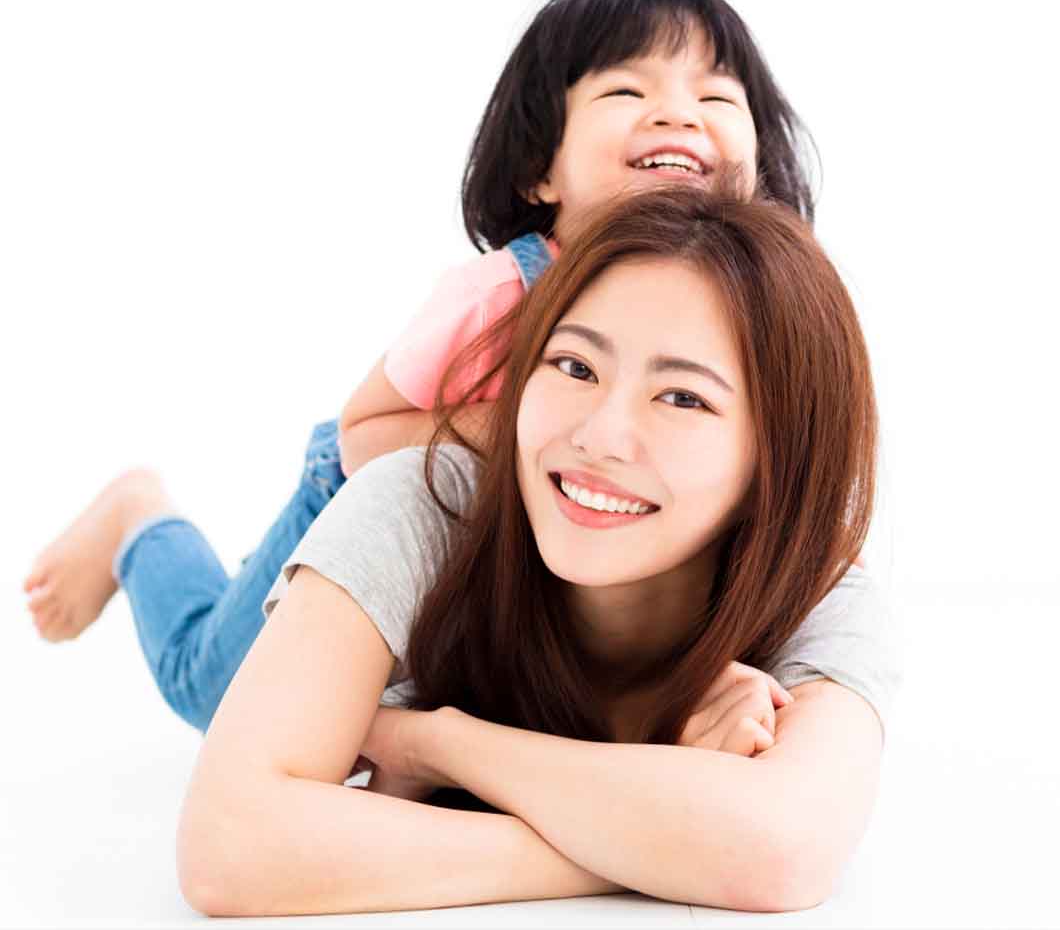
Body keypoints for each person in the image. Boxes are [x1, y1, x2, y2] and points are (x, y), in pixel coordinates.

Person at [22, 0, 818, 733]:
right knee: (215, 690)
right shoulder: (498, 295)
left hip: (519, 565)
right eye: (626, 92)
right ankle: (141, 521)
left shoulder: (753, 312)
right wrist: (521, 428)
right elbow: (363, 434)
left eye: (716, 97)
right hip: (367, 509)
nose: (678, 114)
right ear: (538, 171)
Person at [176, 185, 900, 916]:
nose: (598, 437)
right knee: (194, 670)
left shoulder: (818, 595)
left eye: (683, 397)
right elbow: (230, 849)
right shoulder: (424, 502)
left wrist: (438, 745)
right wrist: (668, 837)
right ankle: (145, 522)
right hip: (305, 534)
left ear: (779, 458)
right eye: (576, 367)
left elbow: (782, 852)